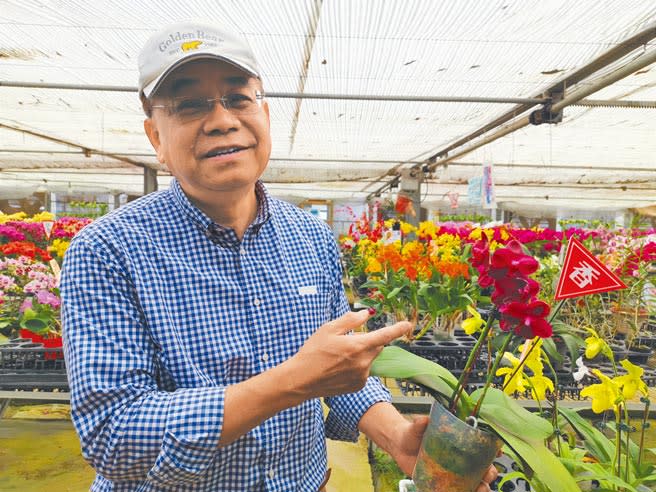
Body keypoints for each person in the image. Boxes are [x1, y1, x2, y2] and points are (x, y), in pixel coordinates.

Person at [61, 20, 498, 491]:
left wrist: (394, 434)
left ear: (264, 115)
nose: (222, 119)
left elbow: (338, 369)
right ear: (156, 139)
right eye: (189, 105)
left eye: (238, 97)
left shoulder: (309, 237)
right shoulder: (106, 251)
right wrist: (292, 380)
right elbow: (113, 437)